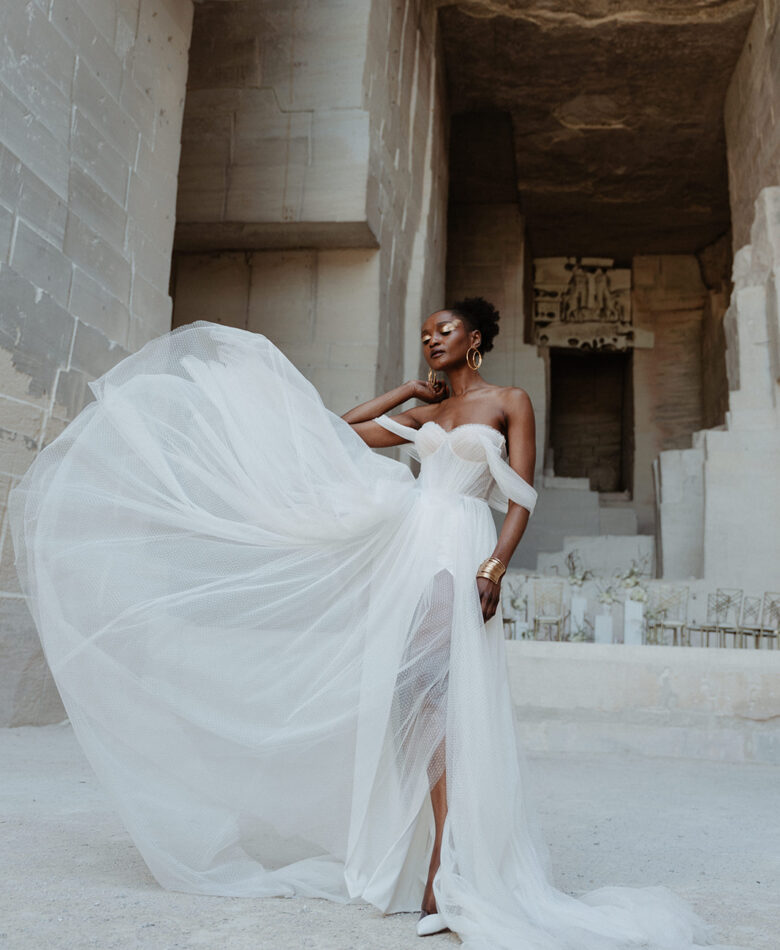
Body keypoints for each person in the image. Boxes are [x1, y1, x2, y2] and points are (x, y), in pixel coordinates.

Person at [9, 298, 722, 950]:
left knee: (443, 693)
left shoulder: (511, 400)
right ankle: (432, 854)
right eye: (425, 336)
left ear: (475, 339)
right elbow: (338, 433)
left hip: (461, 543)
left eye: (445, 332)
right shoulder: (426, 415)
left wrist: (496, 566)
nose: (433, 341)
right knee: (411, 700)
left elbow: (522, 496)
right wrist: (410, 394)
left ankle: (447, 864)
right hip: (410, 546)